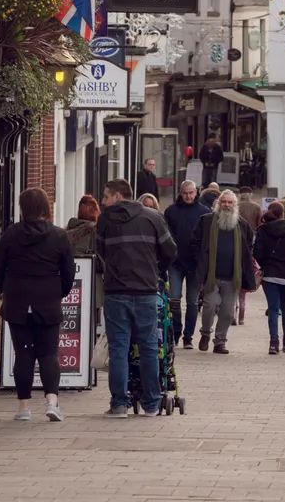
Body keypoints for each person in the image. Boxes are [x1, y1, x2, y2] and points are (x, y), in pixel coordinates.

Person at [0, 186, 75, 423]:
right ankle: (52, 401)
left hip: (17, 299)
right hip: (47, 299)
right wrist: (60, 292)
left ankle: (23, 407)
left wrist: (1, 289)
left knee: (23, 354)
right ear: (45, 207)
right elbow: (68, 272)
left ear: (23, 208)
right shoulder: (59, 235)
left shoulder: (11, 234)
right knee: (48, 353)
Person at [97, 178, 177, 417]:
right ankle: (151, 404)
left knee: (119, 348)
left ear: (118, 196)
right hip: (145, 292)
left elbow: (100, 252)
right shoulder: (152, 217)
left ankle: (119, 404)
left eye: (106, 196)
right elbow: (171, 251)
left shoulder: (104, 221)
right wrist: (155, 270)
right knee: (149, 347)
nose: (103, 201)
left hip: (115, 293)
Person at [190, 188, 255, 354]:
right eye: (223, 202)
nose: (226, 205)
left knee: (227, 312)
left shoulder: (242, 225)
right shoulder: (206, 221)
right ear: (218, 204)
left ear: (235, 205)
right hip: (211, 276)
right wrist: (200, 262)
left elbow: (248, 248)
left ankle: (220, 342)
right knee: (209, 306)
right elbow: (195, 243)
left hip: (232, 278)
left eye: (230, 202)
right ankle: (205, 333)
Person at [164, 180, 209, 348]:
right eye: (185, 193)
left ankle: (188, 337)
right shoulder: (171, 211)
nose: (188, 196)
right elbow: (166, 235)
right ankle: (175, 332)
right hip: (175, 262)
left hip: (195, 264)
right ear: (180, 193)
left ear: (196, 192)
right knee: (174, 299)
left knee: (192, 302)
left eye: (191, 193)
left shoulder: (204, 212)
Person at [253, 201, 285, 354]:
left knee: (273, 309)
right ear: (282, 214)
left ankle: (274, 343)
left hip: (270, 275)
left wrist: (265, 264)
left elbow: (257, 252)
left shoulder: (262, 230)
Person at [65, 193, 103, 310]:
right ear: (96, 211)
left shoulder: (67, 231)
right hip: (93, 286)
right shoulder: (97, 232)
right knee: (91, 322)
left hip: (71, 285)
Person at [235, 187, 262, 325]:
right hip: (251, 238)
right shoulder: (256, 207)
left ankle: (233, 314)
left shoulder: (236, 206)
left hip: (236, 238)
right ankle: (241, 317)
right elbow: (259, 224)